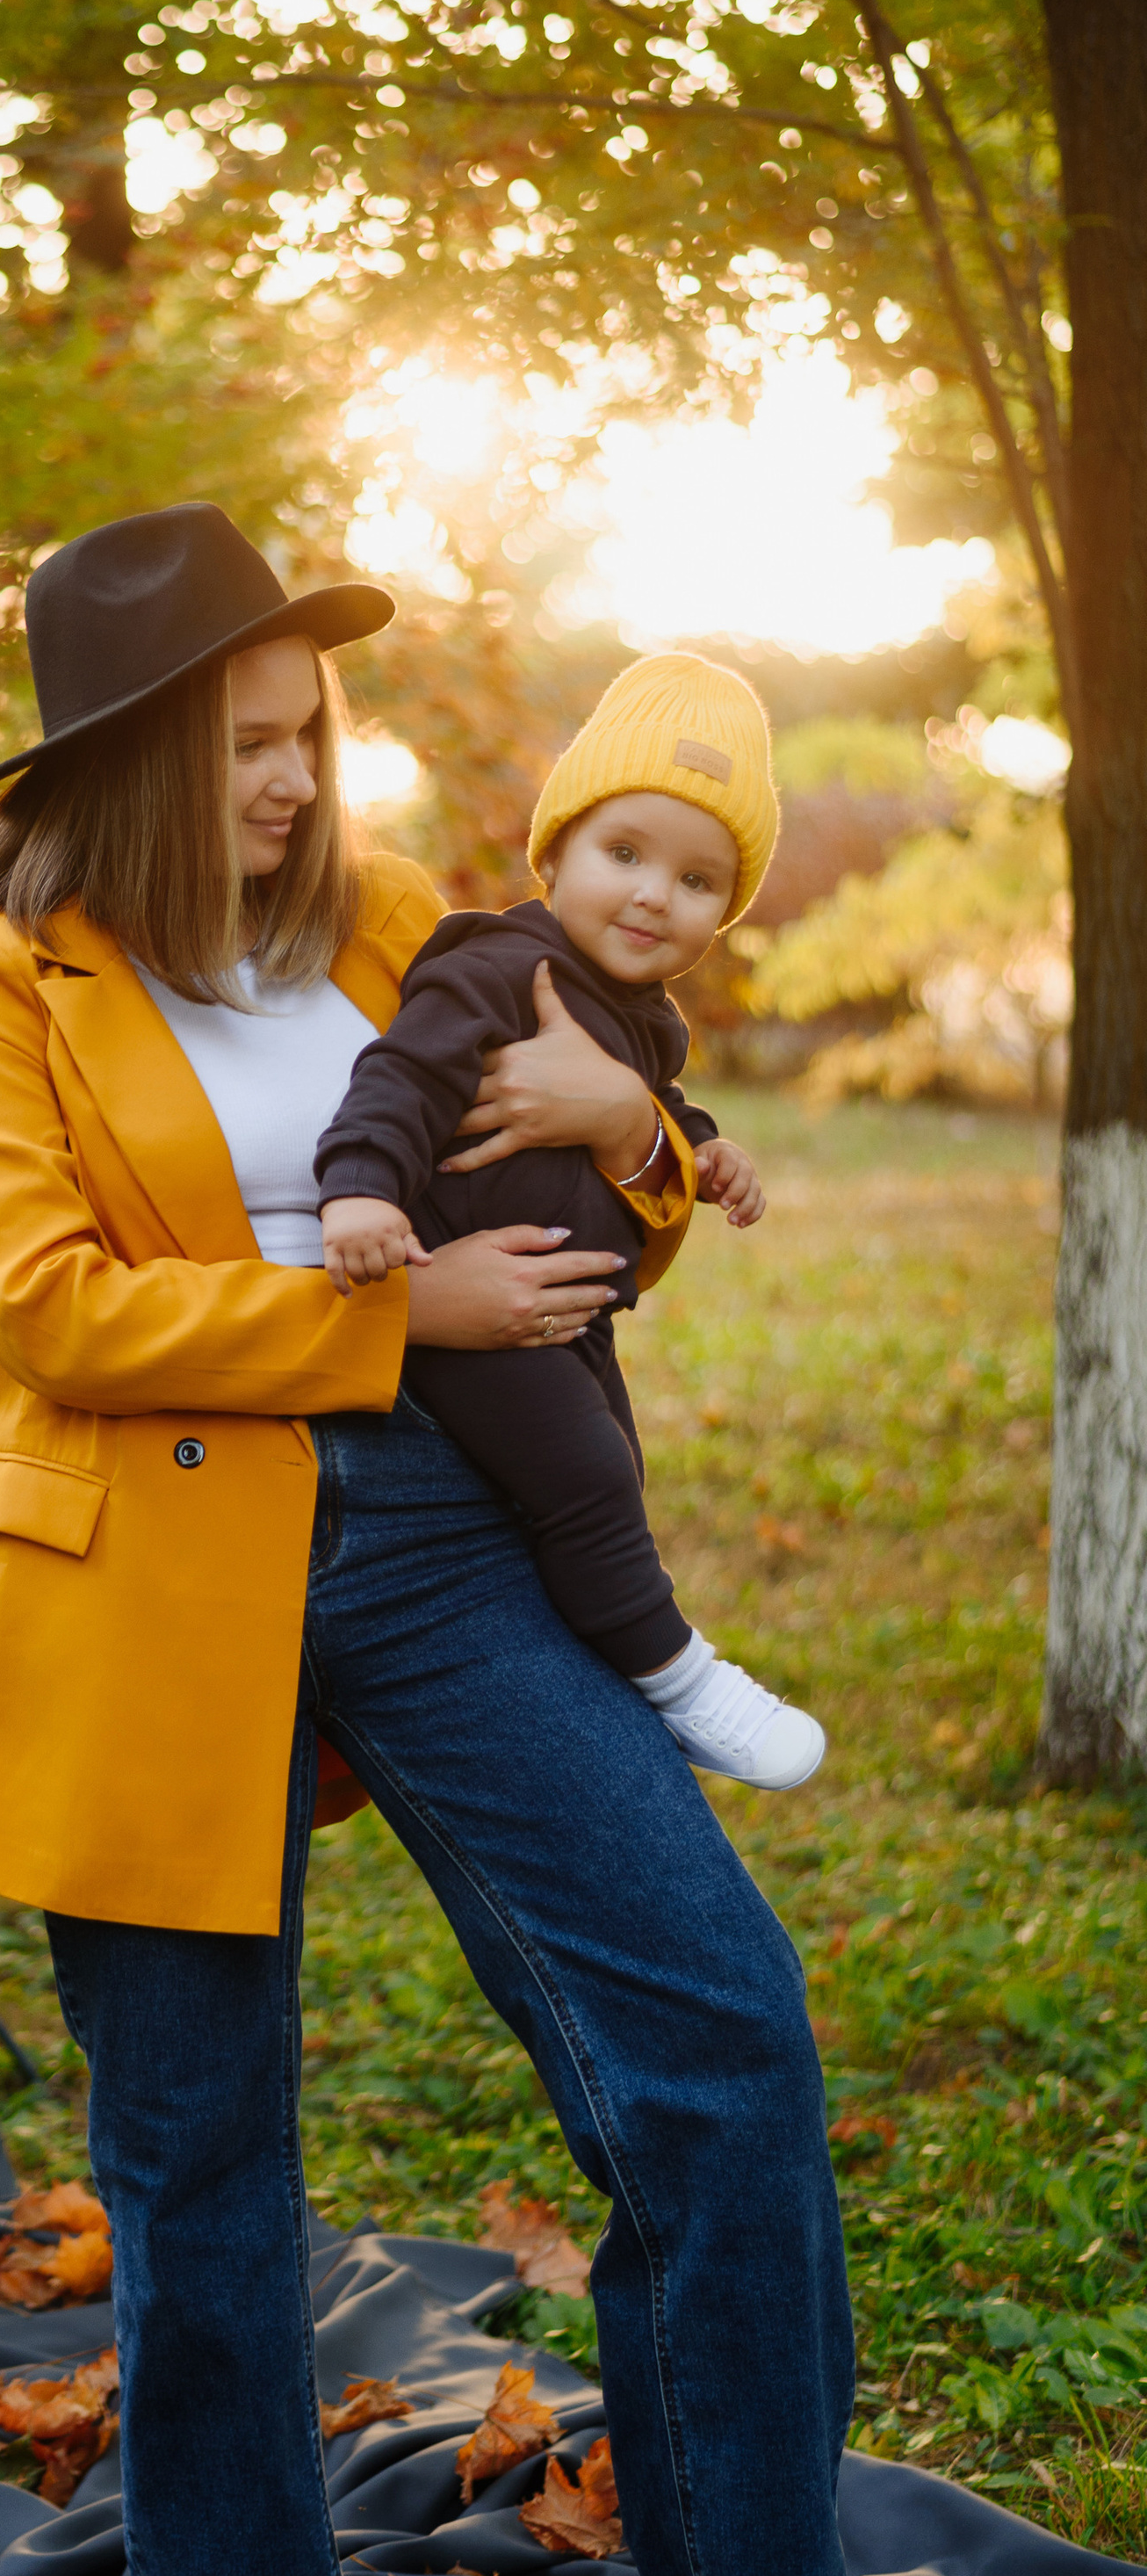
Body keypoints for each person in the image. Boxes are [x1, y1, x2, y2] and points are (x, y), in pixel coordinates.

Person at [0, 503, 869, 2576]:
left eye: (307, 731)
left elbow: (604, 1171)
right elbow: (39, 1298)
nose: (294, 780)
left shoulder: (408, 912)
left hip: (443, 1544)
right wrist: (374, 1310)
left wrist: (641, 1136)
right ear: (126, 758)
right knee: (202, 2165)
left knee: (722, 2060)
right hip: (142, 1582)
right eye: (246, 743)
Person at [312, 652, 825, 1790]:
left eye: (697, 880)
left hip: (569, 1313)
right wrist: (361, 1186)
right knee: (585, 1476)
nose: (653, 894)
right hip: (474, 1299)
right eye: (625, 853)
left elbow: (662, 1122)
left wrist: (701, 1152)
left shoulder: (649, 1023)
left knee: (607, 1477)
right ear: (557, 854)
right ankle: (680, 1674)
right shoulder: (495, 965)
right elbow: (399, 1077)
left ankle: (602, 1660)